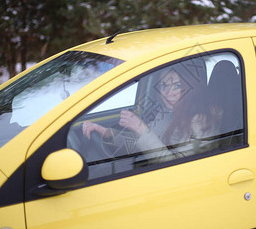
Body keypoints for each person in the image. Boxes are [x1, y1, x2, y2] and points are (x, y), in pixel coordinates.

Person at [82, 63, 220, 164]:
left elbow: (174, 166)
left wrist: (141, 128)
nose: (168, 93)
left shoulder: (202, 121)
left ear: (190, 89)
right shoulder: (166, 112)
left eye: (177, 86)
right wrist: (108, 133)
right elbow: (142, 145)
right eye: (163, 86)